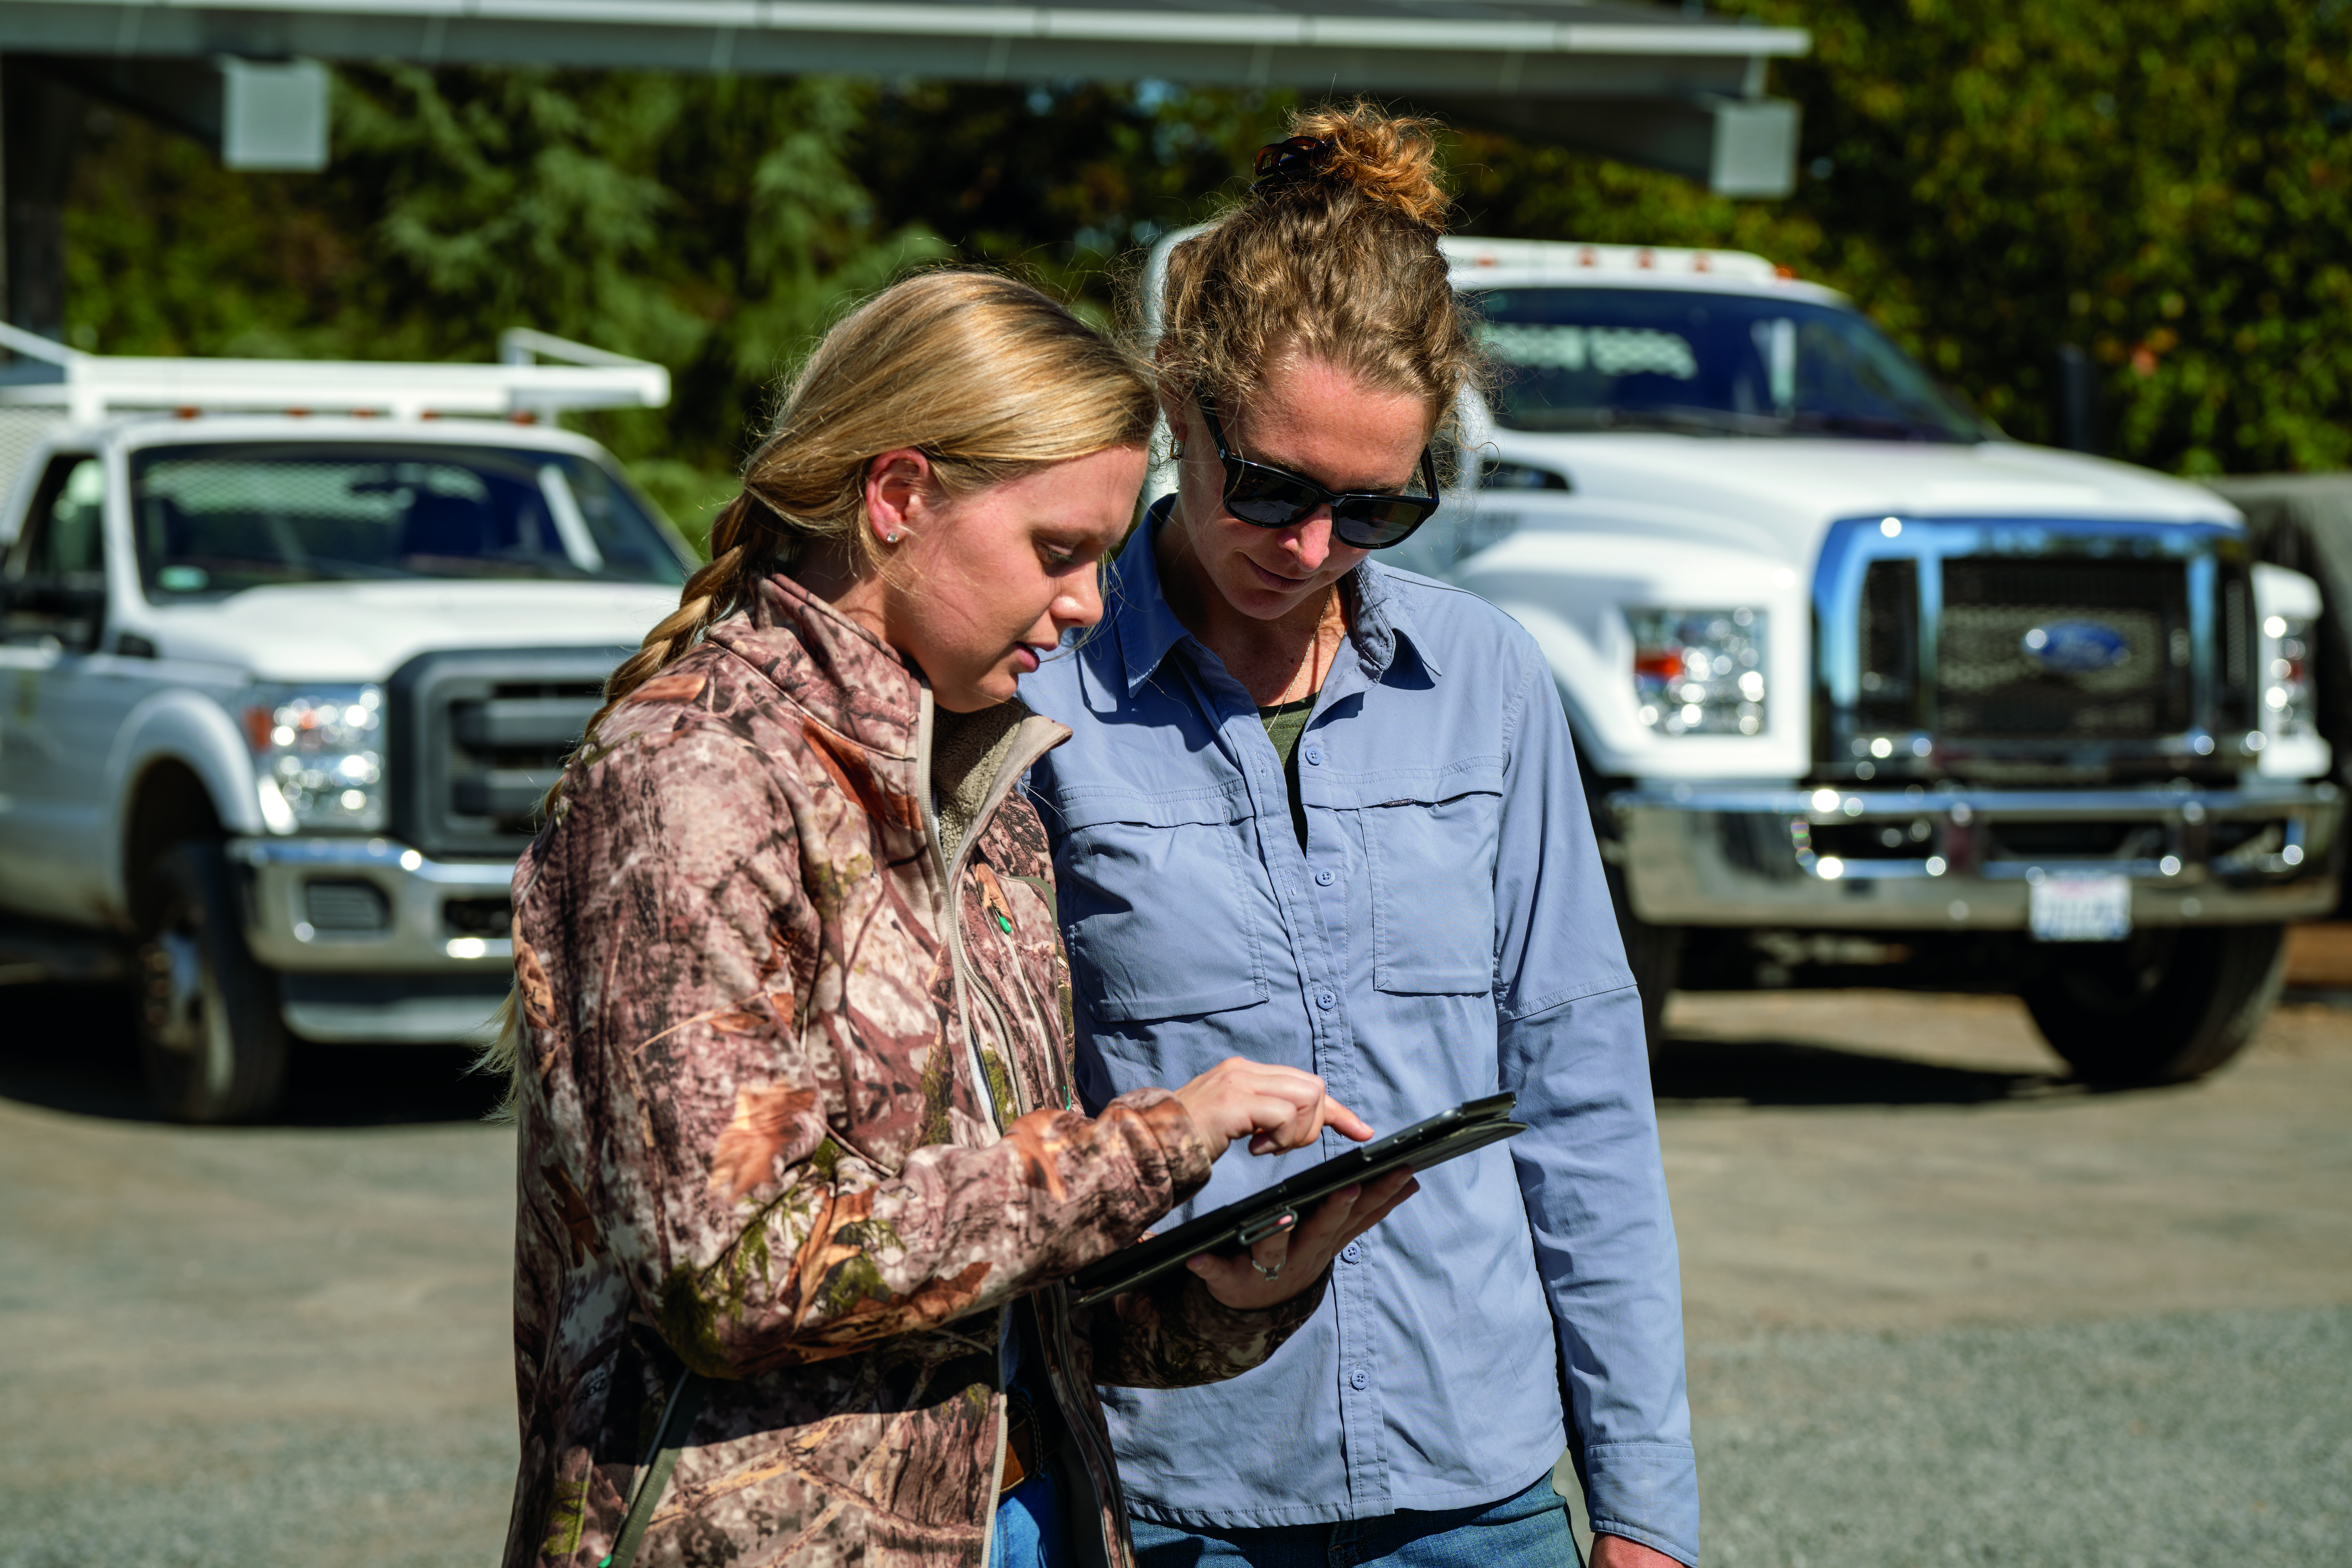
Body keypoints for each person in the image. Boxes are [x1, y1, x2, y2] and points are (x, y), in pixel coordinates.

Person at [485, 270, 1417, 1568]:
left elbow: (986, 1287)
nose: (1091, 600)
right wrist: (1154, 1141)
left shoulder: (979, 778)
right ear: (899, 496)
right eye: (1058, 551)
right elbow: (738, 1270)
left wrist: (1234, 1287)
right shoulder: (692, 780)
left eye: (1098, 554)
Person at [1020, 107, 1698, 1567]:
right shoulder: (1033, 696)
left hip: (1482, 1489)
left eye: (1373, 507)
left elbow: (1583, 1107)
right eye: (1269, 486)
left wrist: (1644, 1507)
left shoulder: (1491, 683)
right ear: (1176, 410)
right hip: (1174, 1493)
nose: (1313, 547)